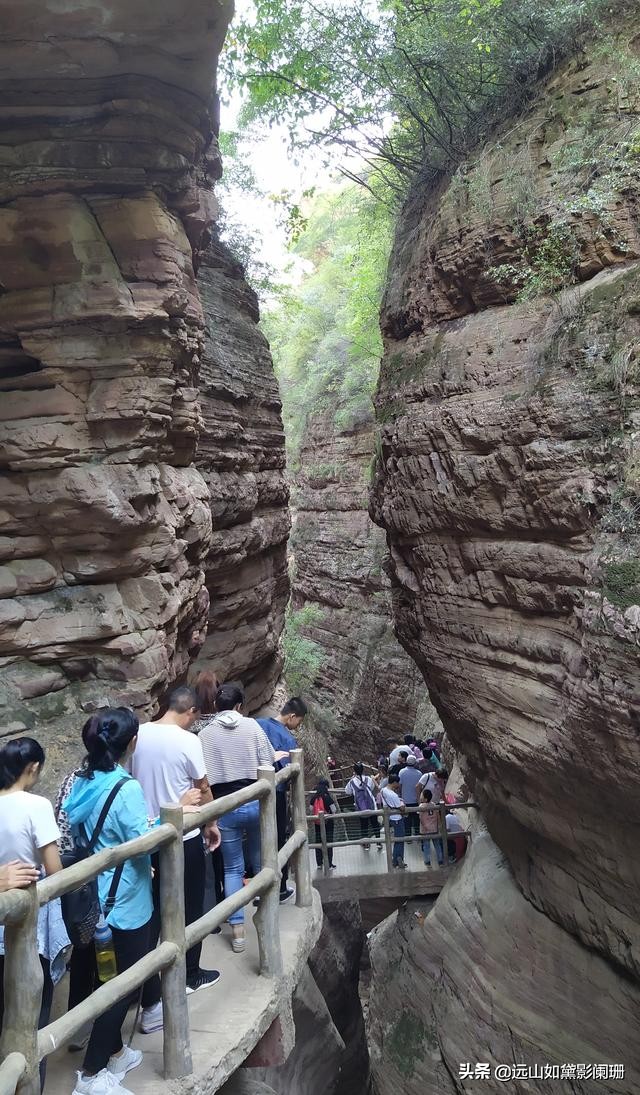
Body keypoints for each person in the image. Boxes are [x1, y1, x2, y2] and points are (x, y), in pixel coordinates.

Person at [131, 686, 221, 996]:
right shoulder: (189, 741)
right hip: (184, 835)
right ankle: (189, 974)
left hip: (147, 836)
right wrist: (212, 822)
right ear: (192, 712)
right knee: (190, 906)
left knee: (150, 910)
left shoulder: (138, 734)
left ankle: (145, 984)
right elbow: (203, 786)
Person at [199, 683, 287, 954]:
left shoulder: (204, 734)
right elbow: (267, 764)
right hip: (254, 800)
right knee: (262, 862)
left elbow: (202, 777)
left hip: (224, 807)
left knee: (232, 869)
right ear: (239, 705)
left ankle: (237, 932)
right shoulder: (253, 727)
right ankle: (268, 919)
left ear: (216, 705)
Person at [0, 737, 67, 1091]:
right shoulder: (36, 805)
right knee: (32, 1016)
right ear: (33, 768)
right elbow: (54, 868)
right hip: (29, 920)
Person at [257, 697, 308, 902]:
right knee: (278, 838)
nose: (298, 725)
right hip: (275, 794)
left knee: (256, 841)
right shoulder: (287, 739)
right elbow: (289, 771)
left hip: (252, 791)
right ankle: (279, 887)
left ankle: (257, 886)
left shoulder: (258, 724)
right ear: (292, 716)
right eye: (300, 721)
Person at [192, 670, 225, 911]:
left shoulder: (191, 726)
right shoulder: (218, 724)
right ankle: (220, 902)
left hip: (196, 795)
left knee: (205, 853)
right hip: (217, 791)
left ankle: (207, 905)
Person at [345, 763, 380, 851]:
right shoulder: (368, 779)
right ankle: (379, 842)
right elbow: (371, 788)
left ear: (354, 771)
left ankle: (366, 844)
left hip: (361, 807)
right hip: (372, 805)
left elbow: (347, 791)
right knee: (375, 824)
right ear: (363, 770)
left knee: (364, 826)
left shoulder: (352, 782)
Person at [379, 773, 406, 868]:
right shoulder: (393, 795)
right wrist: (402, 802)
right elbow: (402, 808)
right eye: (397, 783)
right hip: (397, 818)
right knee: (400, 839)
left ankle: (397, 859)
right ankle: (397, 859)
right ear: (394, 782)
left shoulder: (383, 790)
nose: (398, 784)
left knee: (396, 839)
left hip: (390, 818)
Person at [310, 779, 337, 869]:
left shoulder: (314, 797)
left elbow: (311, 809)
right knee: (328, 842)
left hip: (317, 823)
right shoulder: (327, 797)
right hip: (328, 823)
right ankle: (329, 863)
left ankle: (319, 864)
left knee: (318, 841)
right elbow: (334, 810)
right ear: (326, 787)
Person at [417, 788, 444, 867]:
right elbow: (438, 816)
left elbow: (421, 817)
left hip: (425, 830)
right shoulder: (433, 805)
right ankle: (440, 860)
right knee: (437, 845)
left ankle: (428, 862)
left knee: (426, 846)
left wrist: (424, 826)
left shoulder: (421, 806)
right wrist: (439, 825)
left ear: (425, 799)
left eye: (421, 795)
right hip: (434, 828)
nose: (420, 796)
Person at [398, 755, 421, 839]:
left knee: (407, 820)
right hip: (416, 801)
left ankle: (408, 837)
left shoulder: (401, 772)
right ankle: (418, 836)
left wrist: (400, 795)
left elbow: (399, 785)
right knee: (416, 820)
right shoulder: (419, 773)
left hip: (405, 800)